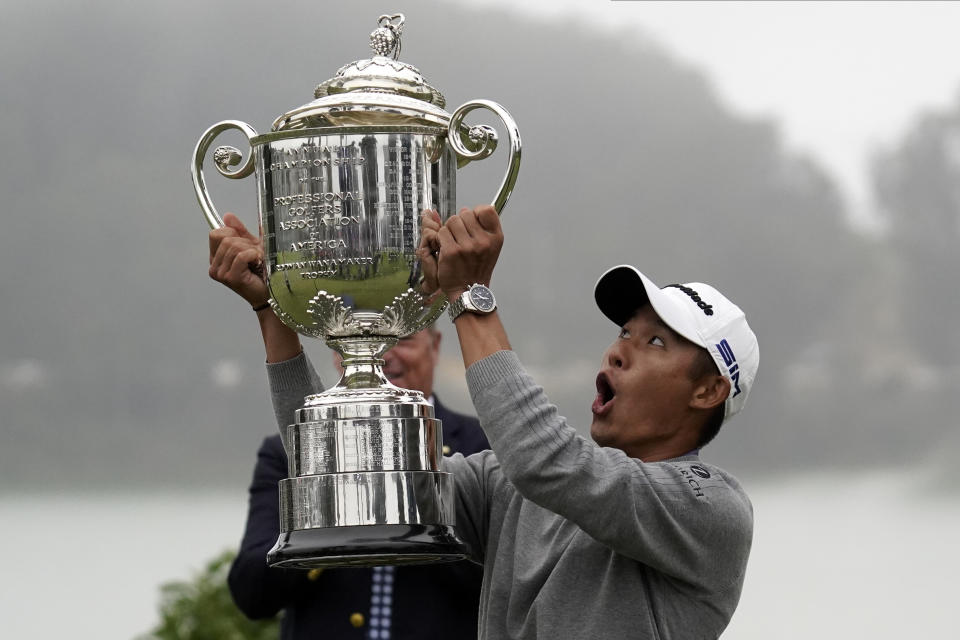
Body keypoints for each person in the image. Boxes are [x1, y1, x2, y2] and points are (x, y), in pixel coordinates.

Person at [220, 204, 760, 639]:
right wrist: (273, 311)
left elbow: (548, 462)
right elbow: (341, 468)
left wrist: (468, 297)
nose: (618, 352)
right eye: (624, 331)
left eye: (656, 342)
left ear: (709, 391)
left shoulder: (710, 508)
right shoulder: (509, 485)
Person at [208, 213, 489, 640]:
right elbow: (251, 592)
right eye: (355, 335)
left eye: (403, 337)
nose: (385, 353)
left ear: (435, 345)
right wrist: (330, 513)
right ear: (336, 348)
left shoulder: (481, 445)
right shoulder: (285, 451)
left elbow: (501, 579)